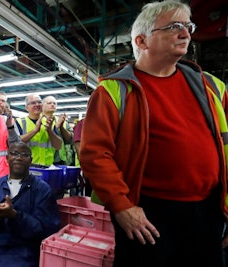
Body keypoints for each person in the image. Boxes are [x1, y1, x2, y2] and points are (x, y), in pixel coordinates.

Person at [80, 1, 228, 267]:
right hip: (147, 214)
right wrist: (121, 206)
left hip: (208, 211)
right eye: (174, 27)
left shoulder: (212, 87)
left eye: (187, 26)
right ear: (142, 40)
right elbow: (94, 154)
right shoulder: (114, 91)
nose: (185, 34)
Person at [16, 94, 62, 166]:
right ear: (26, 107)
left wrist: (50, 131)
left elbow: (58, 146)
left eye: (39, 102)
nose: (37, 105)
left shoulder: (49, 122)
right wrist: (35, 130)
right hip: (27, 167)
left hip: (47, 167)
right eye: (33, 103)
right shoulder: (19, 122)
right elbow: (15, 144)